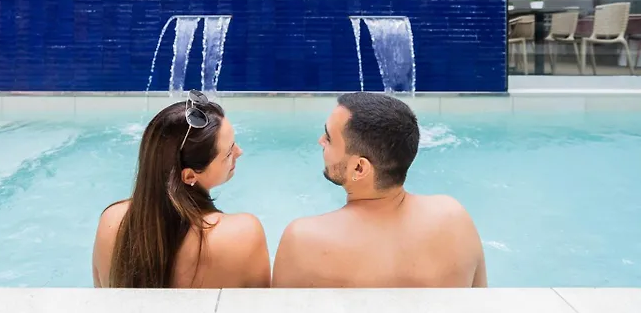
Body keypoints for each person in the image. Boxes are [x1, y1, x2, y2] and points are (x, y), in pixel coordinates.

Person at [272, 92, 487, 288]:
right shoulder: (455, 219)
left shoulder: (303, 240)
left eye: (329, 138)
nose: (321, 141)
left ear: (359, 168)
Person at [91, 90, 271, 288]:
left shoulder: (112, 221)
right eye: (229, 152)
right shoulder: (243, 234)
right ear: (190, 176)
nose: (239, 152)